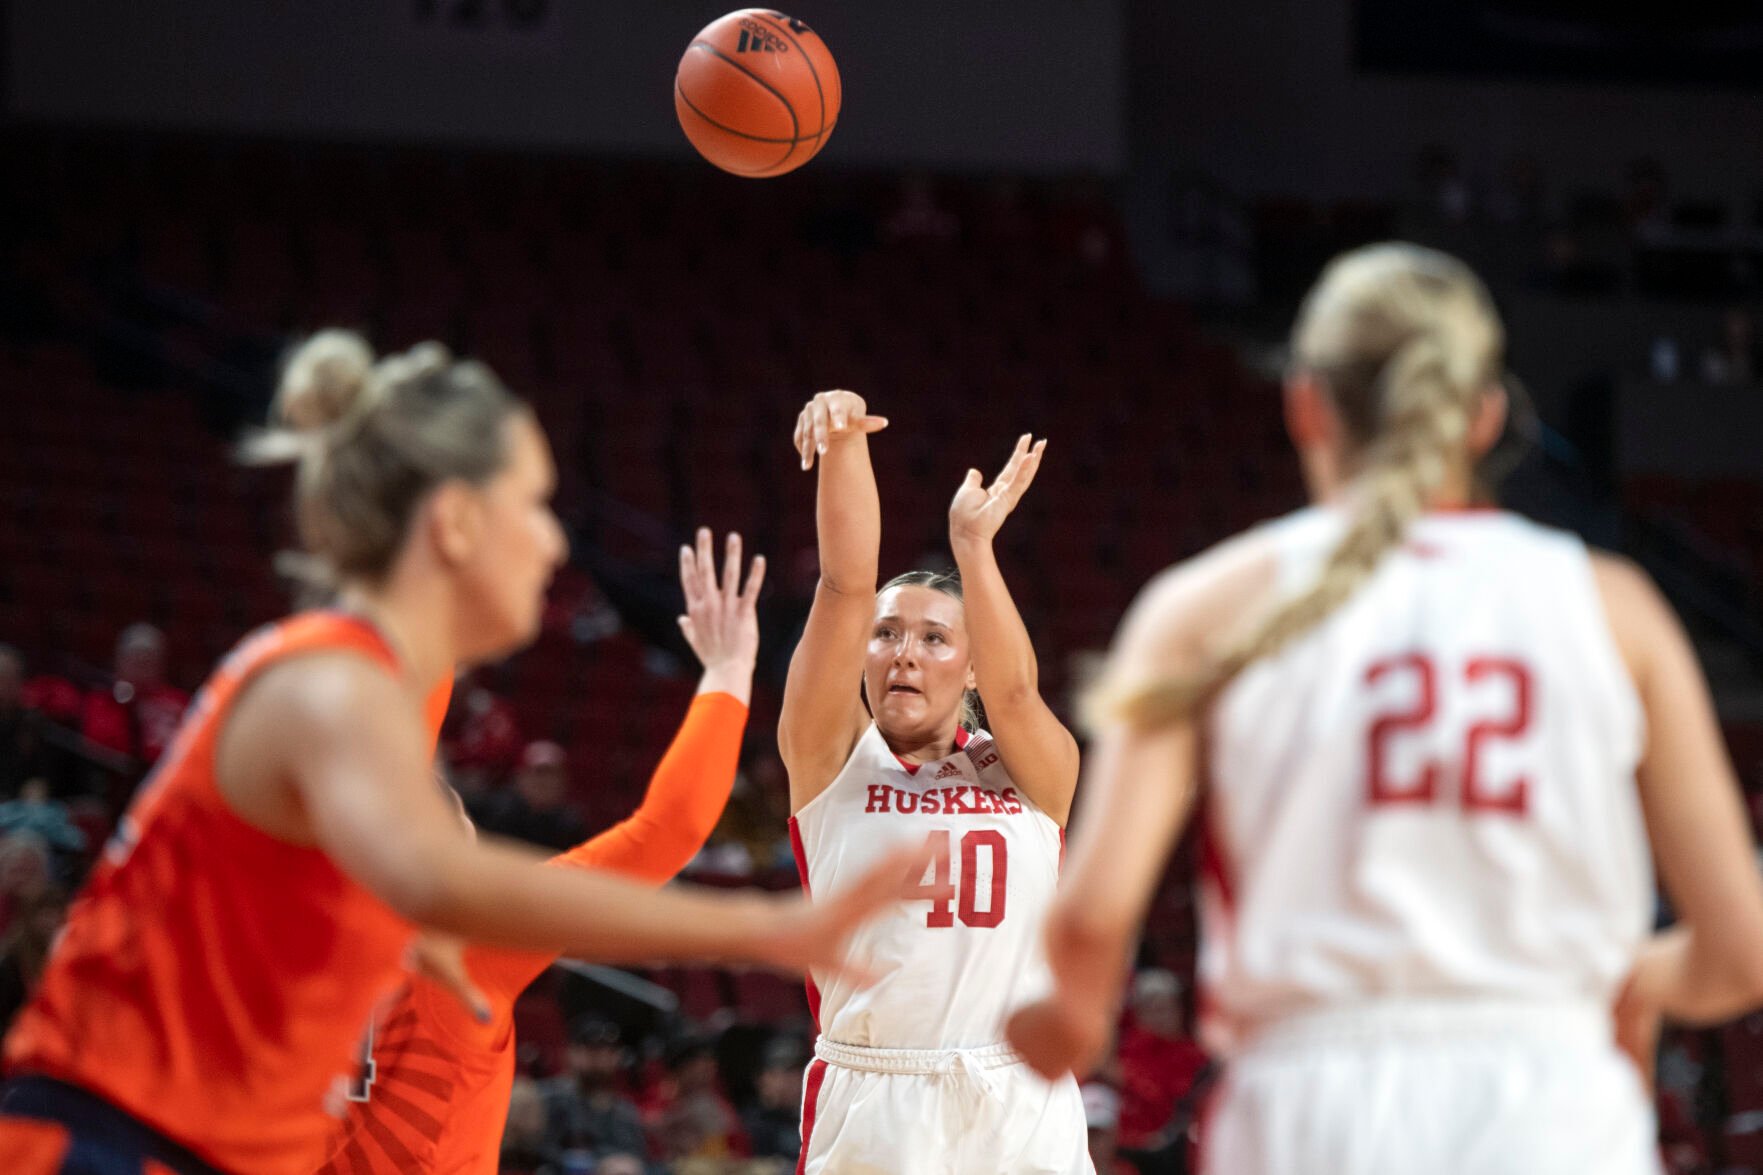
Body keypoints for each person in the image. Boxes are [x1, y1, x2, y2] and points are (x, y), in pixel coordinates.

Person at [0, 333, 911, 1175]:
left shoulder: (359, 683)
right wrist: (757, 928)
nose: (556, 540)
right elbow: (435, 876)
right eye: (533, 505)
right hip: (102, 1139)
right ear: (454, 520)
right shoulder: (324, 685)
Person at [1008, 244, 1763, 1173]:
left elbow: (1088, 922)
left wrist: (1063, 1022)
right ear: (1484, 416)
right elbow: (1738, 951)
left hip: (1309, 1108)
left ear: (1303, 402)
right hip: (1555, 1101)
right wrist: (1629, 978)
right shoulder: (1614, 606)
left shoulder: (1206, 604)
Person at [319, 523, 763, 1175]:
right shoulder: (476, 951)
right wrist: (727, 673)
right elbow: (667, 830)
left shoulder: (294, 927)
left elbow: (393, 773)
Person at [781, 390, 1089, 1174]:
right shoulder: (831, 758)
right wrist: (844, 437)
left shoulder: (1033, 769)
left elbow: (1017, 694)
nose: (903, 653)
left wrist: (973, 544)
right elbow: (845, 586)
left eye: (932, 636)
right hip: (879, 1097)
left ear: (974, 662)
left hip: (1018, 1095)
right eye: (886, 635)